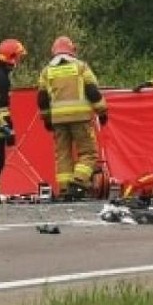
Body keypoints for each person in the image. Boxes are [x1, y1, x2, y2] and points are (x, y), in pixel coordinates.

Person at [37, 35, 108, 201]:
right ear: (72, 51)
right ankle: (78, 181)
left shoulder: (47, 72)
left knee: (63, 154)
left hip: (58, 121)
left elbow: (42, 99)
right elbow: (92, 91)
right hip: (80, 118)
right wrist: (102, 112)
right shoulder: (81, 67)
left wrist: (47, 119)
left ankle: (64, 188)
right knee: (89, 153)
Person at [0, 38, 26, 201]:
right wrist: (8, 129)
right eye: (17, 57)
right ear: (10, 57)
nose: (18, 61)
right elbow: (0, 106)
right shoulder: (1, 77)